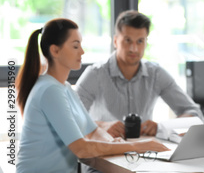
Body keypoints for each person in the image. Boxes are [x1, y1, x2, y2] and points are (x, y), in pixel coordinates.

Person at [16, 18, 167, 173]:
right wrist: (138, 146)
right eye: (75, 46)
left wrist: (113, 142)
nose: (82, 51)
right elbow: (82, 149)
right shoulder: (49, 90)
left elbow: (93, 131)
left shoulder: (65, 87)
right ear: (55, 50)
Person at [75, 10, 203, 138]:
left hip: (145, 153)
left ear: (146, 42)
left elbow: (195, 113)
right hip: (105, 150)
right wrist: (101, 126)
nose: (134, 48)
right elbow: (72, 118)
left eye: (140, 41)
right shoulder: (95, 74)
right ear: (115, 41)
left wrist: (162, 127)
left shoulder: (156, 74)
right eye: (128, 40)